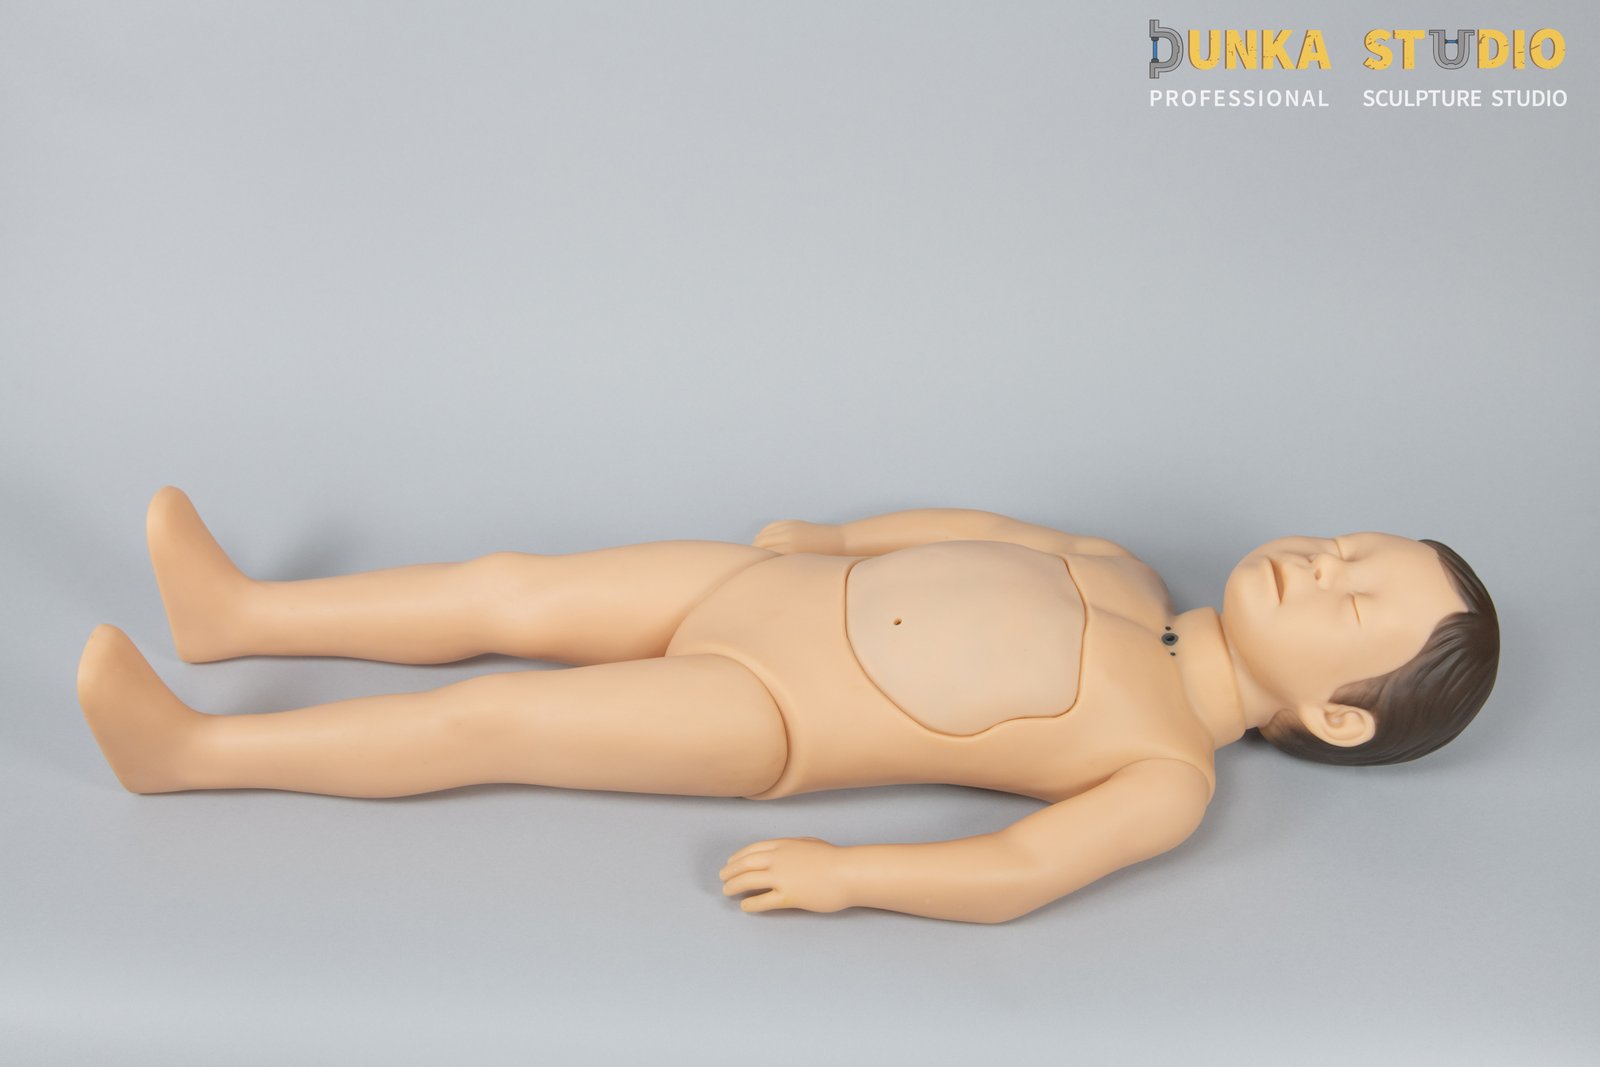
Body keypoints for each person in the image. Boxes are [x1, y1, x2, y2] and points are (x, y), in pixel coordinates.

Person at [77, 487, 1499, 924]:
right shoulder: (1123, 569)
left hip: (769, 708)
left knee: (498, 720)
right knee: (514, 582)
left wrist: (852, 876)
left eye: (1352, 605)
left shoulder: (1165, 773)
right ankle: (241, 615)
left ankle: (191, 753)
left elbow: (1018, 869)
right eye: (1348, 547)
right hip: (768, 589)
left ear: (1341, 718)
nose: (1324, 565)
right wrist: (838, 539)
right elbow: (977, 526)